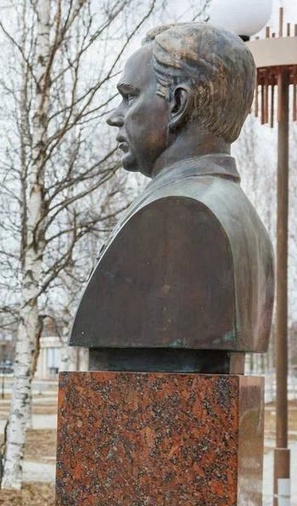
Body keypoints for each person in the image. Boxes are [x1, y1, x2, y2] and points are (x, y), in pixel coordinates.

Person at [71, 22, 273, 371]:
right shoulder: (244, 219)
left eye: (130, 96)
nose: (114, 117)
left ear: (178, 103)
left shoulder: (181, 215)